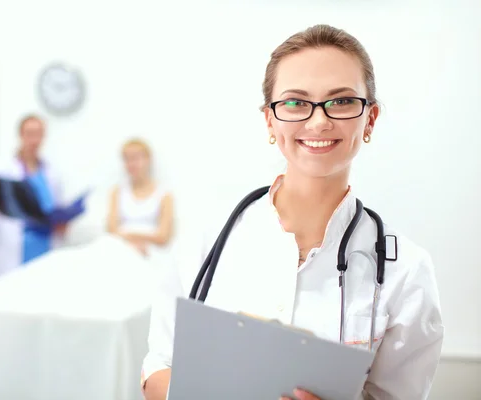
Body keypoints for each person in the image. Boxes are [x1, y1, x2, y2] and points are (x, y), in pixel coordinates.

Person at [140, 24, 444, 400]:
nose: (319, 121)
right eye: (296, 102)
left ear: (371, 119)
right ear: (270, 119)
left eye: (342, 100)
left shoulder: (406, 271)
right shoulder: (207, 239)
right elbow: (157, 368)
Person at [0, 114, 67, 279]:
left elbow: (56, 207)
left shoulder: (51, 171)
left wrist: (63, 222)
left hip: (45, 246)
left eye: (38, 134)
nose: (34, 140)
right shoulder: (2, 168)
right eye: (29, 134)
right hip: (13, 247)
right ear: (20, 135)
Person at [106, 138, 175, 256]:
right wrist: (131, 242)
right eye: (127, 159)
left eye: (136, 158)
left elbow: (163, 236)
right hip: (119, 247)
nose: (131, 164)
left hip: (150, 252)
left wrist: (133, 237)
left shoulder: (164, 194)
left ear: (148, 160)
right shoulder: (117, 192)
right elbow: (112, 229)